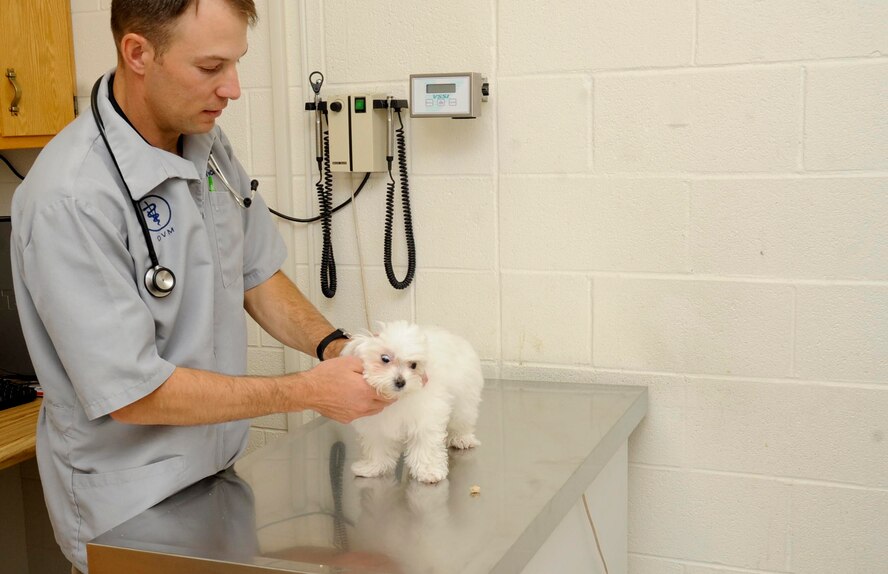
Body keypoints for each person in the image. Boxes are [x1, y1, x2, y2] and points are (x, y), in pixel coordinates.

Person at [8, 1, 392, 572]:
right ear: (138, 53)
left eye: (236, 63)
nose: (232, 88)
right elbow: (135, 395)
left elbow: (255, 274)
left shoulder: (206, 146)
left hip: (213, 483)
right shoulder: (71, 199)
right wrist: (309, 390)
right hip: (129, 509)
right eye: (211, 68)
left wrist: (337, 348)